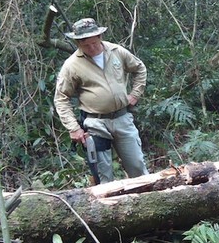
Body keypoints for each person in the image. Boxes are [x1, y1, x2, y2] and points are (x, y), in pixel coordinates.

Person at [54, 18, 150, 184]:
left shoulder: (116, 51)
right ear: (78, 43)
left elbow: (139, 68)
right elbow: (61, 98)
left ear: (99, 36)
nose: (91, 48)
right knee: (103, 174)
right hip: (95, 123)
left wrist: (135, 94)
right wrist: (73, 128)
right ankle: (108, 206)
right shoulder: (71, 65)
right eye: (86, 45)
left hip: (122, 118)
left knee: (137, 167)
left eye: (94, 43)